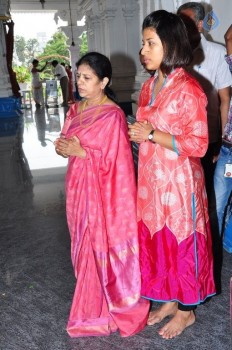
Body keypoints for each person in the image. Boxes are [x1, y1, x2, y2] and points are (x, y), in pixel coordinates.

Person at [128, 10, 215, 340]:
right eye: (143, 43)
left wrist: (150, 135)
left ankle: (186, 311)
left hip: (179, 185)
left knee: (180, 243)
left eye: (151, 43)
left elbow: (200, 143)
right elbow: (148, 126)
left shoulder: (189, 88)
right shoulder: (151, 85)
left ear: (171, 44)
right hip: (152, 181)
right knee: (159, 243)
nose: (144, 50)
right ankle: (167, 299)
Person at [54, 52, 149, 337]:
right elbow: (66, 141)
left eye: (87, 78)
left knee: (97, 246)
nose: (80, 83)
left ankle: (101, 307)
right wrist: (63, 148)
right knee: (81, 245)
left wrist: (82, 152)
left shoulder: (113, 115)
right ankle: (90, 298)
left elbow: (119, 163)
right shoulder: (75, 109)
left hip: (103, 195)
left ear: (104, 81)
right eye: (78, 76)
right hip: (76, 190)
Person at [177, 2, 231, 203]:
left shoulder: (217, 53)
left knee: (207, 195)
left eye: (187, 22)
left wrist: (223, 142)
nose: (182, 27)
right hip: (177, 138)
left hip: (208, 139)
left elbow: (224, 101)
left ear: (200, 24)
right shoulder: (173, 54)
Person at [214, 24, 232, 253]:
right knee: (219, 200)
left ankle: (226, 244)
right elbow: (229, 36)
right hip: (229, 152)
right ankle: (216, 248)